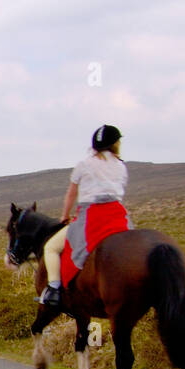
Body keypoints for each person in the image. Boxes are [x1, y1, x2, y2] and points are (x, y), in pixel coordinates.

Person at [41, 124, 129, 309]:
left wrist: (64, 215)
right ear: (115, 144)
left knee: (51, 248)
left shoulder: (83, 165)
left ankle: (54, 289)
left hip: (92, 215)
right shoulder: (121, 166)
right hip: (117, 215)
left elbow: (71, 194)